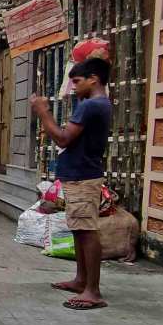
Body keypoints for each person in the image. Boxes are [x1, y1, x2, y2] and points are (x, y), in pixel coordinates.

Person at [30, 57, 112, 311]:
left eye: (77, 82)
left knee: (86, 230)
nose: (73, 87)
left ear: (93, 79)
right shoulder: (96, 104)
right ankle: (81, 280)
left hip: (83, 175)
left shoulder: (91, 106)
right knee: (79, 228)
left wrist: (43, 113)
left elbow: (64, 139)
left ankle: (93, 291)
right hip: (81, 173)